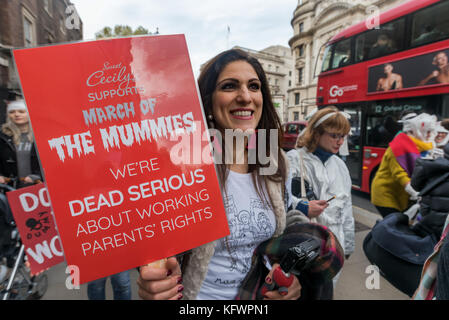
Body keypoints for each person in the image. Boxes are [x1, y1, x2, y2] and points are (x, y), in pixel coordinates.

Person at [137, 49, 304, 300]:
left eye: (254, 86)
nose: (245, 96)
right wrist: (151, 276)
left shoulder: (274, 160)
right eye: (230, 86)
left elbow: (283, 225)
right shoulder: (184, 161)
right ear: (209, 101)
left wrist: (291, 274)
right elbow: (149, 236)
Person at [286, 107, 355, 274]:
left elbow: (346, 209)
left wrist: (347, 246)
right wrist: (302, 206)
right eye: (334, 135)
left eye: (342, 137)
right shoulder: (294, 159)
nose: (339, 142)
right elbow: (279, 200)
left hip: (332, 248)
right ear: (317, 133)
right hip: (302, 243)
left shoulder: (340, 166)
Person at [371, 113, 437, 217]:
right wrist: (416, 193)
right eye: (426, 131)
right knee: (392, 225)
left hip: (399, 195)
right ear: (416, 130)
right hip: (385, 194)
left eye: (431, 131)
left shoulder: (424, 146)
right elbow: (399, 174)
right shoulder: (399, 145)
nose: (429, 134)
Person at [0, 99, 42, 187]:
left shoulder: (41, 135)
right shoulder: (2, 137)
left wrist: (38, 176)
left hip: (39, 186)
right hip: (11, 187)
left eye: (21, 112)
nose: (16, 114)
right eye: (12, 112)